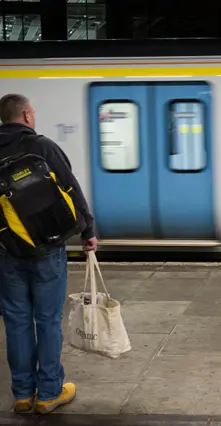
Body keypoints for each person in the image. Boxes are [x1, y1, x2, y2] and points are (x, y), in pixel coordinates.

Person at [0, 93, 98, 414]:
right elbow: (70, 188)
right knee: (47, 320)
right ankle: (50, 393)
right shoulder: (42, 147)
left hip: (8, 251)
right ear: (27, 115)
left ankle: (23, 395)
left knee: (16, 322)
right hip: (48, 247)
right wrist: (88, 232)